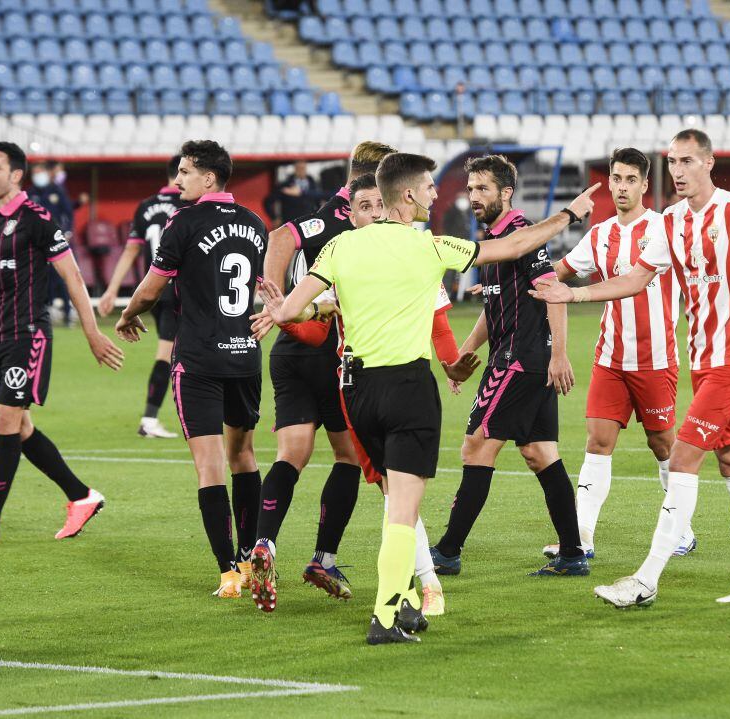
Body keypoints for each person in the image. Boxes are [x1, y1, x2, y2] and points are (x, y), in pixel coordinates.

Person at [258, 151, 599, 644]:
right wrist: (569, 215)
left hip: (355, 391)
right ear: (411, 195)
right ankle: (386, 614)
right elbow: (515, 245)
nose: (439, 194)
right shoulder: (432, 248)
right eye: (432, 187)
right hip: (409, 389)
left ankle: (412, 603)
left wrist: (280, 307)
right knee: (401, 509)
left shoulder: (340, 248)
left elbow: (292, 310)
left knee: (393, 500)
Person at [531, 129, 730, 609]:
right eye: (672, 162)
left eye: (686, 161)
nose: (678, 171)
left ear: (708, 162)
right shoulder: (671, 222)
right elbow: (638, 278)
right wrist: (574, 293)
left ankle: (646, 579)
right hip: (704, 359)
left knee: (683, 457)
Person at [246, 154, 475, 615]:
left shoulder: (355, 250)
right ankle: (400, 584)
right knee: (388, 484)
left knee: (300, 457)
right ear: (353, 212)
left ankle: (269, 542)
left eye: (377, 204)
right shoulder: (368, 252)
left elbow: (435, 320)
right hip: (357, 375)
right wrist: (288, 314)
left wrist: (283, 312)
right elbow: (317, 320)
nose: (373, 212)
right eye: (365, 206)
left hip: (325, 366)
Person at [0, 142, 123, 546]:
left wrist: (91, 332)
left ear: (16, 175)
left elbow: (71, 276)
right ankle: (81, 496)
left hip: (27, 334)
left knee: (6, 421)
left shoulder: (36, 220)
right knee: (20, 428)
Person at [115, 140, 267, 599]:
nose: (176, 180)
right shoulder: (256, 223)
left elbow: (150, 289)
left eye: (184, 172)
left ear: (208, 178)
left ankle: (227, 573)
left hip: (200, 358)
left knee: (209, 466)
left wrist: (127, 315)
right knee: (244, 456)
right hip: (245, 355)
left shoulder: (182, 222)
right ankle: (250, 556)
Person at [428, 154, 586, 578]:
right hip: (520, 358)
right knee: (539, 453)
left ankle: (447, 551)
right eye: (471, 188)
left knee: (476, 446)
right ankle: (572, 553)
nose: (473, 196)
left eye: (483, 189)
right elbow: (494, 305)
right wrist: (465, 349)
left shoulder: (521, 235)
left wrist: (558, 355)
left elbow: (552, 290)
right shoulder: (496, 239)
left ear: (506, 193)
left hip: (520, 360)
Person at [538, 147, 692, 561]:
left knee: (663, 444)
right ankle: (582, 535)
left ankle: (682, 528)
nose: (621, 187)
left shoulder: (664, 229)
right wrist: (509, 285)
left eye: (630, 180)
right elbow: (555, 277)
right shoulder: (600, 234)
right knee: (597, 442)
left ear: (644, 185)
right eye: (616, 179)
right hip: (611, 358)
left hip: (657, 360)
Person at [98, 155, 187, 439]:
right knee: (168, 352)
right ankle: (149, 419)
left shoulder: (146, 206)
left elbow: (131, 250)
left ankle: (163, 416)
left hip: (153, 289)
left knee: (177, 351)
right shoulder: (188, 204)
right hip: (178, 288)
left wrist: (112, 289)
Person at [28, 160, 77, 326]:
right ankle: (44, 312)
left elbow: (68, 213)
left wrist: (68, 232)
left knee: (62, 277)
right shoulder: (31, 192)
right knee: (42, 278)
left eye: (39, 172)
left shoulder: (57, 191)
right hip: (37, 243)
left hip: (57, 242)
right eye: (35, 173)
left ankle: (68, 312)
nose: (37, 176)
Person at [264, 159, 320, 227]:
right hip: (290, 223)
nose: (301, 170)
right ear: (295, 169)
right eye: (299, 168)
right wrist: (274, 217)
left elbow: (318, 201)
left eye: (303, 168)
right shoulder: (285, 185)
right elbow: (268, 201)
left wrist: (317, 215)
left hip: (308, 223)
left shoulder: (313, 184)